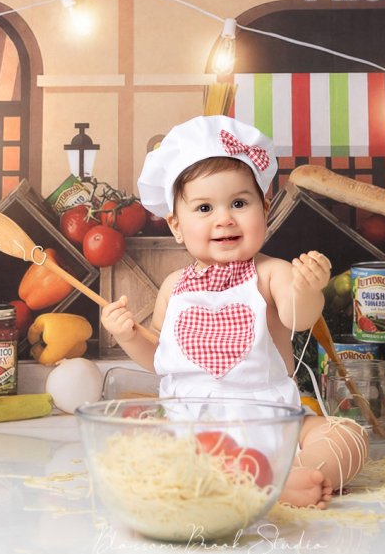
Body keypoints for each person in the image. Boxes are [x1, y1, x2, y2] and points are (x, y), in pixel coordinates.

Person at [101, 115, 369, 509]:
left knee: (346, 438)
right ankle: (262, 484)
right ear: (176, 225)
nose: (224, 218)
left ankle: (272, 477)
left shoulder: (270, 273)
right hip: (193, 430)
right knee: (142, 443)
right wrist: (128, 336)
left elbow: (299, 318)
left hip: (273, 424)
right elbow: (160, 358)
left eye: (239, 203)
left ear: (265, 207)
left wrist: (308, 289)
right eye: (204, 207)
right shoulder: (174, 287)